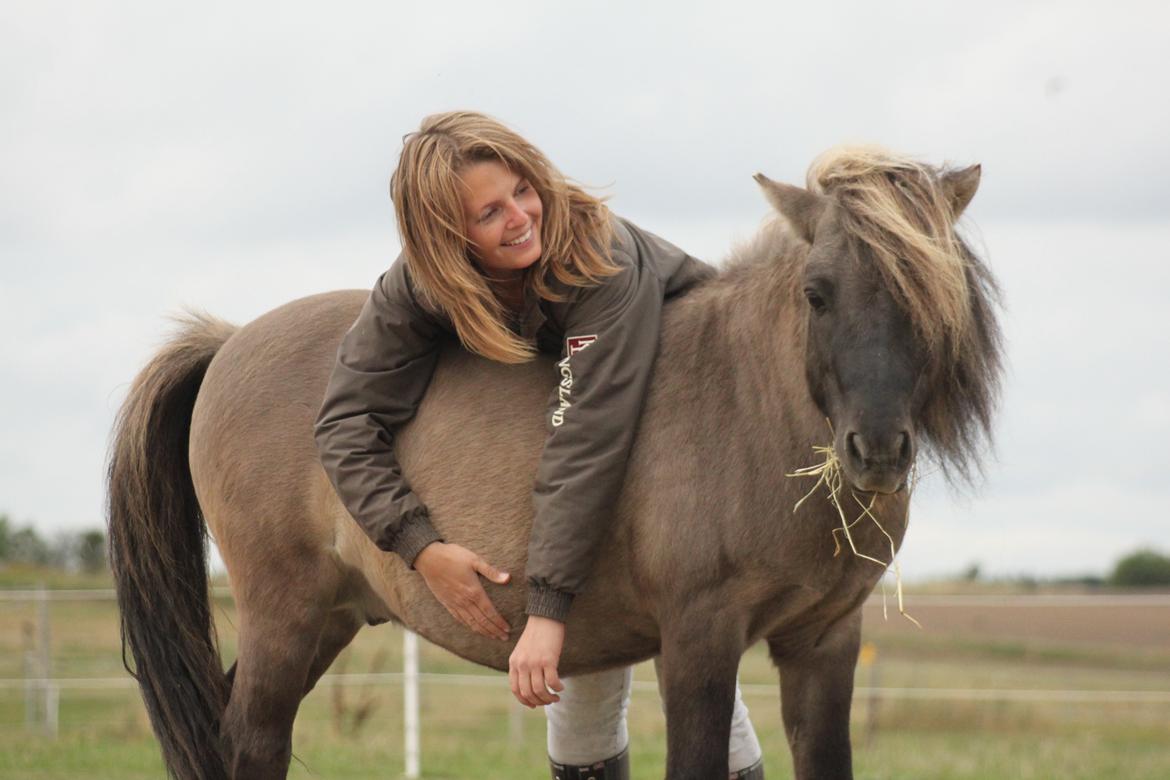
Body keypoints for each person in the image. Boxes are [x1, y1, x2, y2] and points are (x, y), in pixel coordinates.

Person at [314, 111, 764, 780]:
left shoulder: (599, 258)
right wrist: (420, 546)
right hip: (599, 457)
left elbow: (588, 440)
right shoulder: (419, 285)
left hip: (693, 456)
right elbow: (344, 421)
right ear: (447, 238)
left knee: (689, 652)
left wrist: (546, 612)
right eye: (489, 213)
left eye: (524, 190)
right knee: (589, 676)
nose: (521, 216)